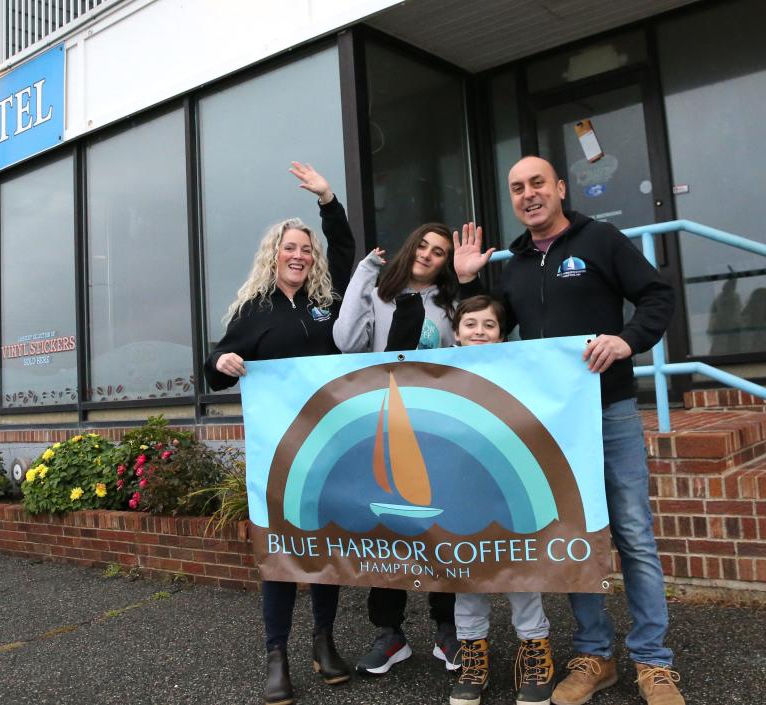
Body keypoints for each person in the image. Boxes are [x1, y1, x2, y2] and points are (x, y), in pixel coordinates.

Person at [453, 156, 681, 705]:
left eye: (537, 184)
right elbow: (485, 335)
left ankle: (654, 661)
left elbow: (657, 296)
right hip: (553, 425)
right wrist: (466, 282)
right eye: (517, 188)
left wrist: (628, 340)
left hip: (611, 413)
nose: (528, 194)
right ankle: (594, 655)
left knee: (632, 534)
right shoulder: (514, 263)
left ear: (559, 188)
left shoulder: (601, 240)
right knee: (574, 537)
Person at [203, 162, 355, 705]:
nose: (299, 256)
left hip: (330, 448)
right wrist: (224, 362)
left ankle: (324, 642)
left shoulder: (328, 304)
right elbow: (215, 358)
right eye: (290, 248)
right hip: (280, 456)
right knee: (282, 553)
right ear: (274, 253)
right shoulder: (253, 311)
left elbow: (344, 251)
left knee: (327, 545)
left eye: (305, 249)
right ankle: (277, 656)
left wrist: (328, 201)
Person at [331, 214, 483, 676]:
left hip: (437, 429)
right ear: (410, 247)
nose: (427, 255)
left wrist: (467, 280)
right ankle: (390, 633)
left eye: (438, 252)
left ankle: (446, 629)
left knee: (443, 526)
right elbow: (346, 343)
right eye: (423, 246)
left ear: (443, 263)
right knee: (386, 528)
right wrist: (363, 274)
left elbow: (474, 348)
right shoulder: (379, 294)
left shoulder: (449, 302)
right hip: (381, 425)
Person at [446, 295, 555, 705]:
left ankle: (534, 652)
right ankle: (474, 659)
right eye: (470, 324)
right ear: (455, 334)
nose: (478, 331)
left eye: (488, 325)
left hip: (510, 495)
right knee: (465, 580)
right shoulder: (437, 373)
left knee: (521, 576)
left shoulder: (520, 372)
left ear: (502, 334)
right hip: (459, 497)